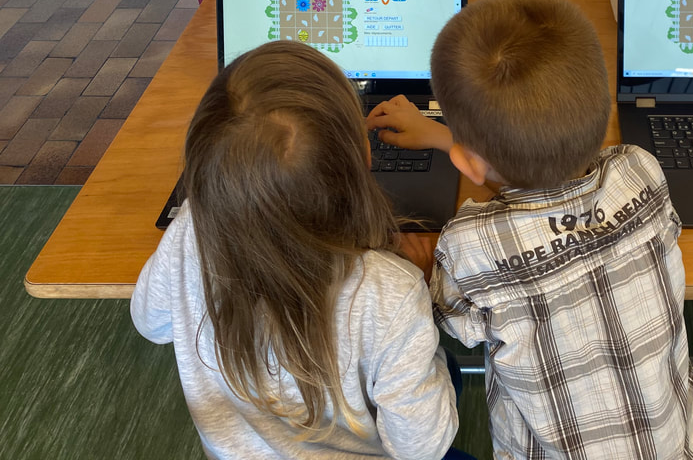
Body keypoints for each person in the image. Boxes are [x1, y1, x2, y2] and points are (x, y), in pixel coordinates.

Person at [368, 0, 693, 459]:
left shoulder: (468, 244)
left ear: (467, 163)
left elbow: (455, 319)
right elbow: (545, 190)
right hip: (677, 445)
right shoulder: (640, 169)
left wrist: (425, 267)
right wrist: (452, 141)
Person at [131, 41, 458, 460]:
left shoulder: (192, 226)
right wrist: (422, 317)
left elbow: (151, 323)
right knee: (446, 370)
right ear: (364, 155)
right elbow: (422, 449)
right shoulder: (390, 291)